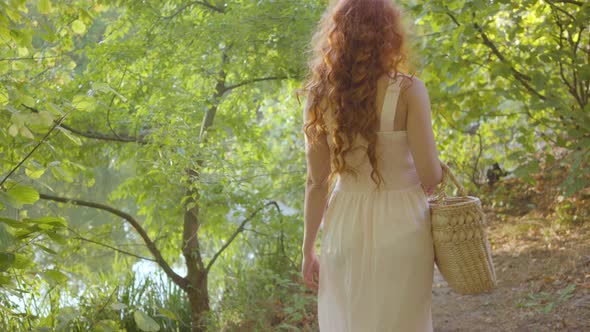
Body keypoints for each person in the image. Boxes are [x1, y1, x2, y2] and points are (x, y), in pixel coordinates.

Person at [300, 0, 443, 331]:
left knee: (352, 319)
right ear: (389, 34)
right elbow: (430, 175)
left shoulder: (319, 95)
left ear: (336, 35)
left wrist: (308, 250)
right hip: (403, 223)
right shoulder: (408, 90)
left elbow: (316, 182)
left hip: (345, 223)